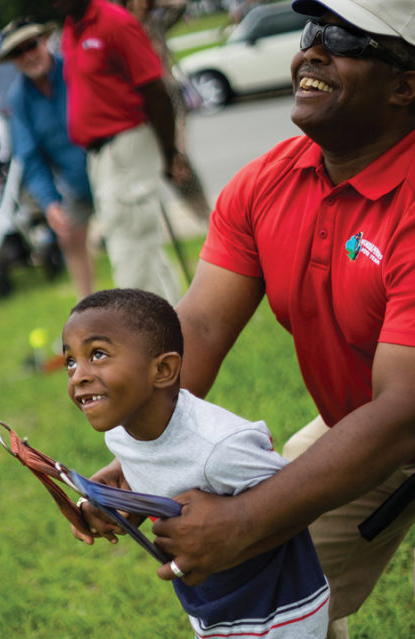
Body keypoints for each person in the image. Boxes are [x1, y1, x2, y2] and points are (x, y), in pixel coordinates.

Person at [80, 2, 415, 637]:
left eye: (343, 37)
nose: (312, 50)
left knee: (260, 525)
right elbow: (199, 327)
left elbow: (403, 412)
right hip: (365, 420)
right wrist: (151, 448)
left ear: (405, 84)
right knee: (270, 596)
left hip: (395, 417)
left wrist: (247, 520)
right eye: (312, 33)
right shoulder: (268, 183)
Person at [62, 289, 329, 637]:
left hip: (279, 612)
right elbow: (158, 475)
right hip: (212, 607)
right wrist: (112, 504)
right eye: (70, 360)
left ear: (164, 370)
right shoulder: (120, 435)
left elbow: (294, 498)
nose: (77, 375)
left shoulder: (219, 446)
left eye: (97, 355)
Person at [52, 0, 190, 304]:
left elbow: (157, 92)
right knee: (140, 251)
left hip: (127, 145)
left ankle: (147, 344)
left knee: (132, 254)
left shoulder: (114, 22)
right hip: (101, 156)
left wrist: (169, 154)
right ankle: (176, 336)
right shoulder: (70, 28)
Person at [0, 19, 96, 300]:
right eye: (19, 52)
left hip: (108, 166)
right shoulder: (19, 98)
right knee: (69, 239)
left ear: (44, 41)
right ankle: (88, 313)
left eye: (31, 45)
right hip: (75, 183)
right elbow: (29, 156)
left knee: (129, 241)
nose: (28, 55)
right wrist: (50, 202)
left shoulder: (76, 69)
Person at [114, 0, 212, 219]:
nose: (136, 6)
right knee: (142, 169)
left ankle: (204, 215)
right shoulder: (120, 29)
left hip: (166, 92)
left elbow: (179, 5)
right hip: (139, 104)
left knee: (180, 162)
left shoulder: (154, 24)